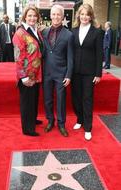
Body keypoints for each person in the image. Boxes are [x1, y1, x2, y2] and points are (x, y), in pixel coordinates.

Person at [71, 4, 103, 140]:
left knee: (87, 99)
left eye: (87, 14)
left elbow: (99, 54)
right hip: (75, 72)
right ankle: (80, 120)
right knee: (76, 98)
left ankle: (88, 127)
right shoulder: (73, 31)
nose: (84, 17)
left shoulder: (96, 32)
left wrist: (98, 73)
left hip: (90, 72)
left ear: (91, 16)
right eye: (82, 14)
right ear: (79, 15)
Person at [42, 5, 74, 137]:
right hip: (46, 73)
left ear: (63, 17)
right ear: (50, 16)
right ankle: (50, 121)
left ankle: (61, 124)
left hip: (61, 73)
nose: (56, 17)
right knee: (48, 99)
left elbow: (70, 57)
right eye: (53, 14)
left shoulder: (69, 35)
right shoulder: (44, 32)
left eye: (58, 15)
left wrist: (68, 75)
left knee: (61, 100)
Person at [12, 6, 43, 136]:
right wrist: (23, 76)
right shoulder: (20, 33)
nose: (32, 18)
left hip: (36, 74)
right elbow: (18, 57)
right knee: (27, 102)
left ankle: (32, 120)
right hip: (26, 75)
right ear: (24, 16)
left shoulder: (35, 30)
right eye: (29, 15)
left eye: (34, 16)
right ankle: (27, 129)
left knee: (34, 99)